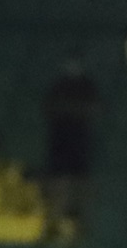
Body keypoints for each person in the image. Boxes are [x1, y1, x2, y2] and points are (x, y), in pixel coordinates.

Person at [44, 58, 102, 232]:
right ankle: (54, 223)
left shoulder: (87, 87)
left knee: (78, 181)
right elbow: (48, 107)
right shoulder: (58, 87)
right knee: (59, 180)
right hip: (60, 141)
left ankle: (78, 221)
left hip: (79, 142)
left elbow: (95, 108)